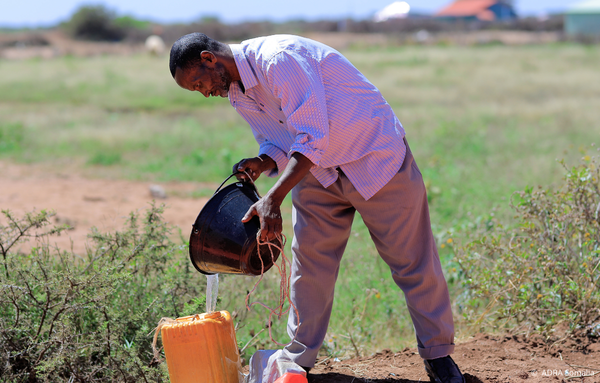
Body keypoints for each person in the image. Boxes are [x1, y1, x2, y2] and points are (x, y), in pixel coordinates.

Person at [169, 32, 465, 383]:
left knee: (412, 261)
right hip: (317, 175)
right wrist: (264, 161)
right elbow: (281, 138)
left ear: (208, 58)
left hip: (373, 158)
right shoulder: (237, 93)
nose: (204, 93)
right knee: (309, 268)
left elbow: (312, 136)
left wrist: (273, 199)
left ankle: (438, 356)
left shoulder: (279, 59)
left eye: (199, 83)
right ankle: (300, 359)